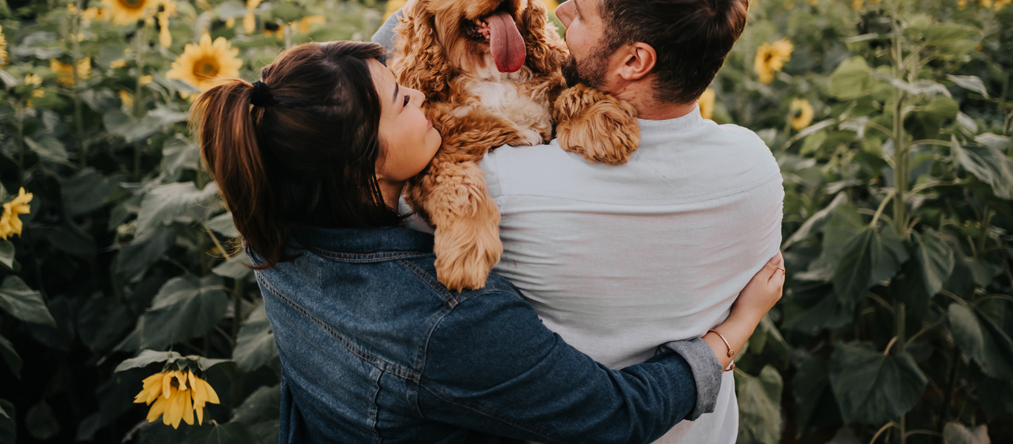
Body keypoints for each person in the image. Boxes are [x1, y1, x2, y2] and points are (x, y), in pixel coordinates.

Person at [189, 40, 785, 443]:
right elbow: (611, 416)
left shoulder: (275, 230)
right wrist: (731, 334)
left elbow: (336, 98)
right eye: (404, 99)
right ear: (360, 162)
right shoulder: (442, 323)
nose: (421, 95)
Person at [372, 0, 785, 444]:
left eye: (579, 10)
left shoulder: (502, 185)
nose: (556, 15)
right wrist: (730, 338)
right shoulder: (755, 169)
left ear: (635, 61)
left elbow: (373, 128)